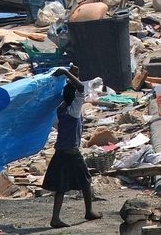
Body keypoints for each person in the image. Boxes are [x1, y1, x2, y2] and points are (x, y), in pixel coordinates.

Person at [44, 66, 101, 228]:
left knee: (60, 187)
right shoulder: (74, 111)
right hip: (72, 152)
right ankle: (89, 211)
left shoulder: (60, 110)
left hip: (60, 151)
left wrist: (71, 75)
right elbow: (81, 88)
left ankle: (56, 218)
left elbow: (75, 89)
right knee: (86, 181)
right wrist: (65, 72)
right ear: (74, 98)